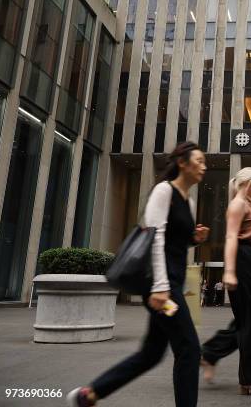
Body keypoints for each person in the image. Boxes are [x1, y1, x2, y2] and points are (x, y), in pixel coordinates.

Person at [67, 142, 210, 407]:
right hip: (162, 289)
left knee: (151, 354)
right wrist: (159, 287)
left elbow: (175, 242)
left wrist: (194, 239)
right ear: (182, 162)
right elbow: (154, 239)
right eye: (199, 160)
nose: (204, 166)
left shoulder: (189, 201)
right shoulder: (163, 191)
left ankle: (90, 394)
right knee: (189, 349)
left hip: (172, 285)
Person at [202, 167, 251, 396]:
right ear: (246, 183)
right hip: (244, 262)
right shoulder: (237, 204)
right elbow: (230, 237)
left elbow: (245, 234)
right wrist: (228, 271)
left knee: (250, 322)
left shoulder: (246, 206)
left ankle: (239, 374)